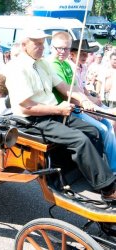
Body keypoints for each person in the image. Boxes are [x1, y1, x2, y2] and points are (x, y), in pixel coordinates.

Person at [4, 29, 116, 201]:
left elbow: (64, 87)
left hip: (54, 111)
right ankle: (108, 190)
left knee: (94, 131)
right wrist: (59, 110)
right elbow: (26, 107)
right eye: (37, 43)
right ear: (24, 45)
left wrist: (84, 100)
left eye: (43, 43)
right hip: (33, 120)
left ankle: (91, 177)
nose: (42, 47)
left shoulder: (43, 64)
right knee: (80, 140)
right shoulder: (16, 68)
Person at [48, 32, 116, 174]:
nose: (63, 52)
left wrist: (90, 103)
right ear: (51, 47)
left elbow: (78, 88)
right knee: (100, 130)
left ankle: (110, 166)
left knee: (108, 124)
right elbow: (66, 92)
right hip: (66, 110)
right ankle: (103, 170)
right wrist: (88, 105)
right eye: (59, 48)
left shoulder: (65, 65)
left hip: (76, 107)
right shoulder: (54, 65)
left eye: (66, 49)